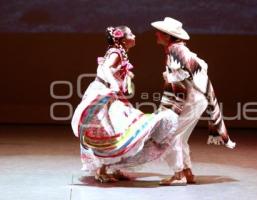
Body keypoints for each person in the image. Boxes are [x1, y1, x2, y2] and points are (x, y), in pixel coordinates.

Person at [71, 26, 178, 183]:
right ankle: (102, 170)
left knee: (120, 131)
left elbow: (110, 70)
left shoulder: (119, 53)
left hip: (110, 95)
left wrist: (124, 78)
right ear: (122, 39)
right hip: (104, 95)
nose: (135, 36)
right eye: (131, 34)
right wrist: (114, 84)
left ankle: (112, 168)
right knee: (110, 132)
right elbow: (105, 68)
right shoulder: (116, 53)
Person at [150, 17, 236, 186]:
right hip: (198, 99)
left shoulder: (175, 51)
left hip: (192, 100)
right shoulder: (180, 50)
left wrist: (169, 80)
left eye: (159, 32)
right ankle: (187, 172)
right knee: (180, 137)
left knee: (169, 135)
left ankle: (178, 175)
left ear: (167, 37)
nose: (156, 34)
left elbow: (180, 80)